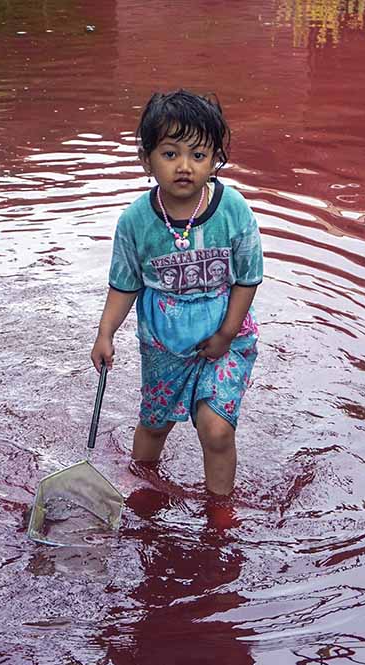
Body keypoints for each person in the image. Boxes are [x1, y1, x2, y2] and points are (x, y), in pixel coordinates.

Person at [90, 90, 263, 496]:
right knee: (155, 424)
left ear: (215, 159)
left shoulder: (232, 208)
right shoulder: (136, 221)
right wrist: (105, 333)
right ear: (146, 159)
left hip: (225, 336)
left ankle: (220, 512)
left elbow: (248, 277)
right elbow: (125, 284)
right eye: (170, 154)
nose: (184, 166)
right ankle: (141, 488)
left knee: (216, 429)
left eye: (198, 155)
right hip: (164, 344)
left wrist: (225, 335)